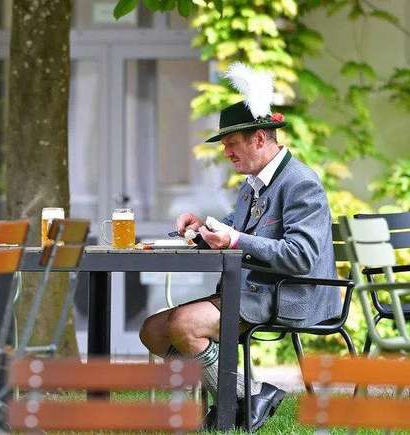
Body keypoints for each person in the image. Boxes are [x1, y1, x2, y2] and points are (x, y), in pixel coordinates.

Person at [138, 63, 339, 431]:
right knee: (152, 330)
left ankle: (230, 405)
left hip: (292, 294)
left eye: (232, 143)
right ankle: (252, 394)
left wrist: (236, 240)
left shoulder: (301, 183)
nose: (227, 152)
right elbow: (233, 228)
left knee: (185, 324)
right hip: (250, 290)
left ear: (259, 138)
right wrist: (201, 227)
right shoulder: (252, 184)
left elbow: (301, 256)